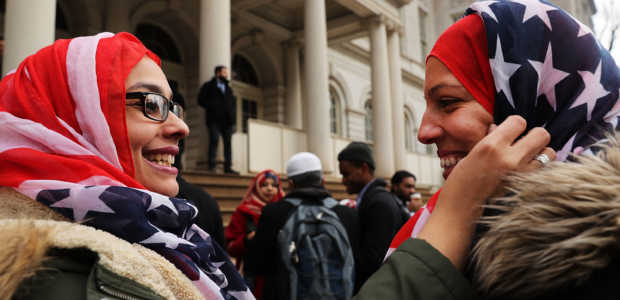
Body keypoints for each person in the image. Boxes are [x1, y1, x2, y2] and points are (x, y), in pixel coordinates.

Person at [356, 1, 619, 299]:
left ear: (527, 97)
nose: (423, 133)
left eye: (448, 103)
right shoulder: (450, 216)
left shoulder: (600, 257)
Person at [0, 32, 253, 299]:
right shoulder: (56, 277)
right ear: (72, 121)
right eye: (151, 104)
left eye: (172, 108)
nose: (182, 127)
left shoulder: (164, 230)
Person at [246, 152, 360, 299]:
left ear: (291, 184)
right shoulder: (347, 214)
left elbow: (258, 265)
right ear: (322, 181)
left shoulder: (273, 213)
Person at [337, 142, 410, 289]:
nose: (343, 180)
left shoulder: (379, 203)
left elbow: (374, 261)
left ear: (363, 169)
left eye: (346, 174)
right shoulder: (373, 199)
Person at [225, 170, 284, 295]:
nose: (269, 189)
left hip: (278, 273)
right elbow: (230, 246)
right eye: (264, 185)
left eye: (274, 185)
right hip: (251, 275)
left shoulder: (284, 210)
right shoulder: (243, 212)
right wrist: (247, 240)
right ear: (256, 187)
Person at [198, 65, 238, 174]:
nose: (226, 75)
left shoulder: (228, 88)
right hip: (213, 120)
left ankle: (228, 168)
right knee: (214, 140)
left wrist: (233, 122)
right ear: (218, 73)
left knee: (228, 145)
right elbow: (200, 100)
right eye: (224, 72)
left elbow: (232, 105)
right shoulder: (208, 86)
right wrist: (213, 106)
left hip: (227, 122)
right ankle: (212, 166)